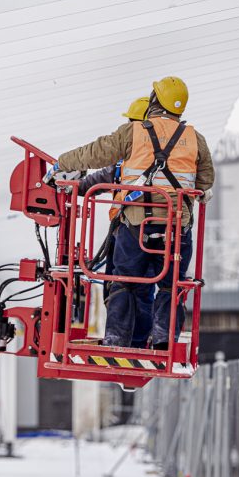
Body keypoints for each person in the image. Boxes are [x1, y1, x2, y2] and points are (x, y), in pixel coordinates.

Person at [52, 77, 214, 349]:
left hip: (137, 224)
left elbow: (95, 152)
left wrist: (61, 164)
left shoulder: (134, 132)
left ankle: (117, 339)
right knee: (171, 285)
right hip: (176, 228)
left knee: (124, 282)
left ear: (154, 100)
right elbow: (205, 181)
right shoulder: (196, 139)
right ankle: (165, 343)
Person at [76, 96, 156, 348]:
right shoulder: (167, 162)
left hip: (127, 231)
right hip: (158, 235)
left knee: (120, 284)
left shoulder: (126, 163)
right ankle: (139, 341)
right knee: (145, 289)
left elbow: (93, 181)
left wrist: (71, 186)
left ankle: (117, 339)